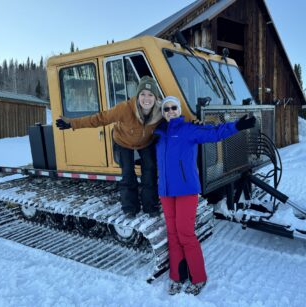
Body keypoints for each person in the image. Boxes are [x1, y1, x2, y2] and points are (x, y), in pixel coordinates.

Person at [154, 96, 256, 295]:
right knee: (173, 235)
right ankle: (177, 275)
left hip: (185, 189)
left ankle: (199, 277)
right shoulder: (159, 134)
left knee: (185, 234)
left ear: (179, 109)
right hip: (165, 191)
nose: (170, 111)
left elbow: (215, 133)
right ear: (163, 112)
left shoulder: (188, 129)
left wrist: (238, 125)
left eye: (174, 107)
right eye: (166, 109)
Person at [55, 76, 162, 217]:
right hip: (123, 140)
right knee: (128, 173)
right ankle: (130, 208)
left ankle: (151, 206)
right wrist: (72, 123)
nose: (146, 98)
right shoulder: (125, 108)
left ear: (155, 97)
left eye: (150, 95)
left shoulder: (160, 111)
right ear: (137, 96)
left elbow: (175, 119)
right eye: (142, 94)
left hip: (146, 142)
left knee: (150, 172)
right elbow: (100, 118)